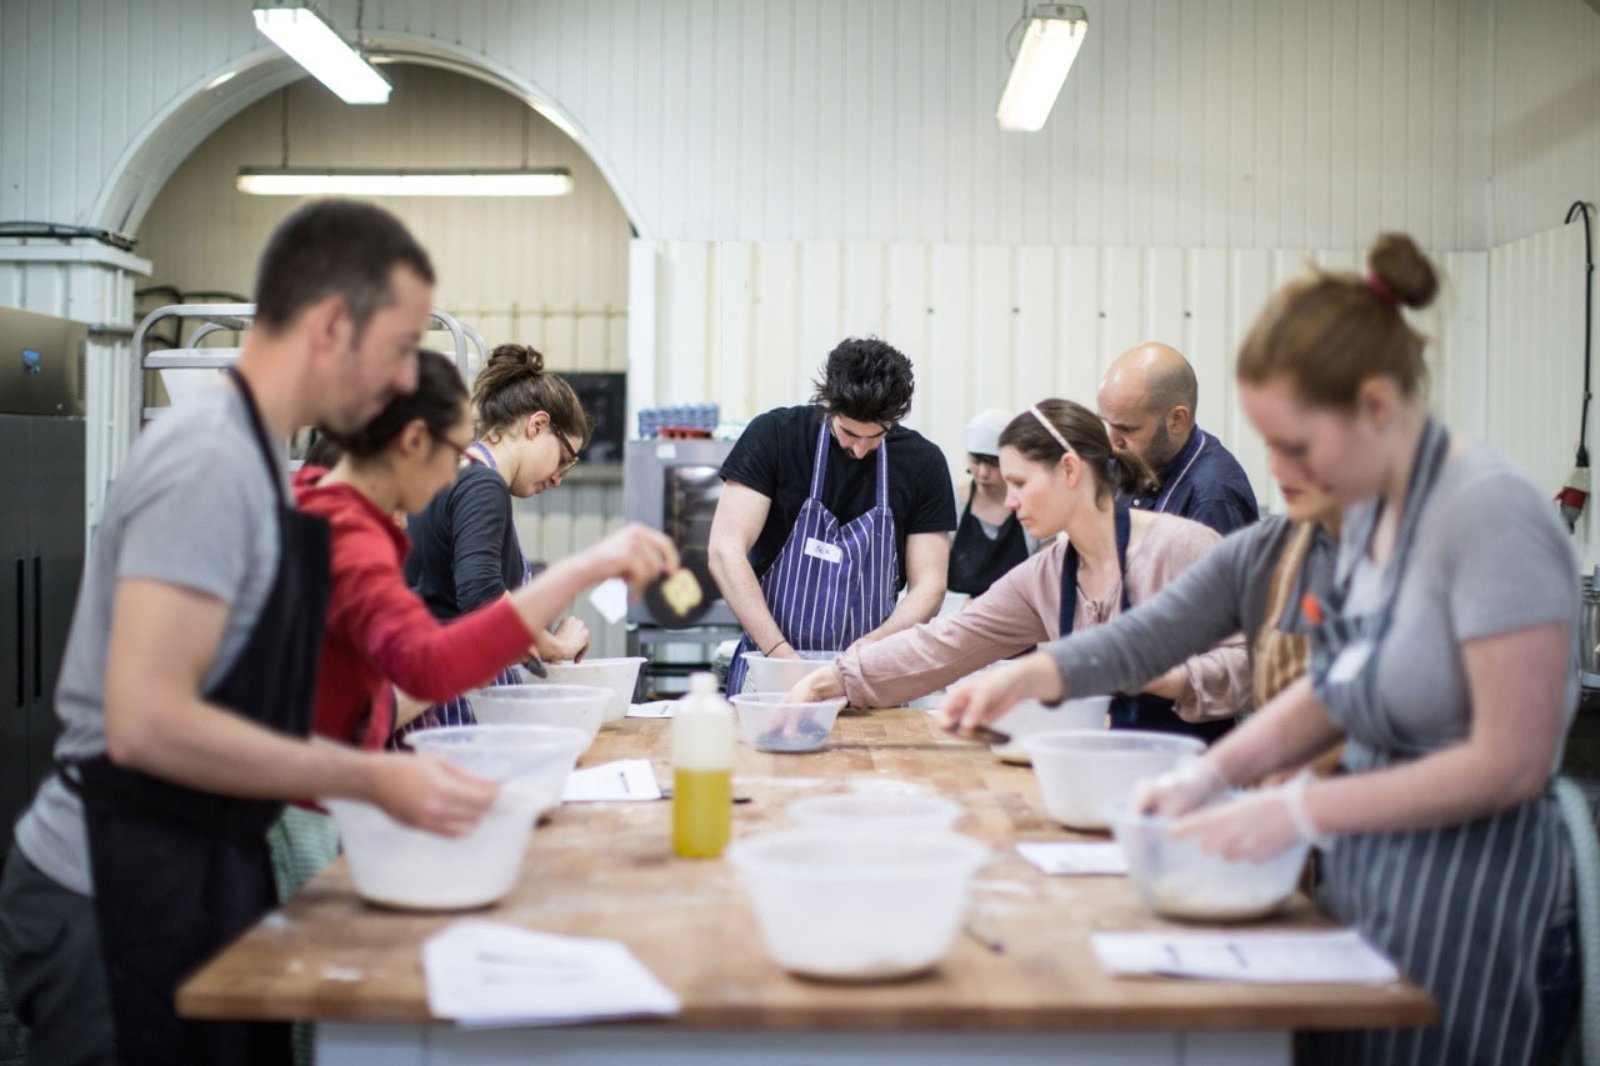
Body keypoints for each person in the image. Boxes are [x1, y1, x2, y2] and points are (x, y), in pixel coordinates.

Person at [965, 235, 1581, 1065]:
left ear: (1374, 408)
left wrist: (1296, 810)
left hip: (1463, 894)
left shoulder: (1486, 513)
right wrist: (1208, 774)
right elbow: (1332, 688)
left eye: (1297, 444)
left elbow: (1511, 761)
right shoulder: (1361, 519)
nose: (1278, 470)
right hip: (1359, 876)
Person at [0, 200, 501, 1066]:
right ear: (333, 325)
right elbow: (149, 721)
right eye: (398, 346)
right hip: (109, 892)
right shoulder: (209, 460)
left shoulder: (264, 457)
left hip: (194, 867)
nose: (399, 383)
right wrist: (367, 777)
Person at [271, 351, 676, 903]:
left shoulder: (320, 507)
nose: (455, 475)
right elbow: (433, 663)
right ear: (413, 441)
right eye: (454, 451)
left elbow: (380, 687)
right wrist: (591, 565)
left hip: (321, 782)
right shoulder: (350, 537)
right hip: (299, 799)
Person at [791, 400, 1247, 739]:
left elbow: (1251, 666)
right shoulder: (1047, 575)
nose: (1010, 501)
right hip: (1107, 775)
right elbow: (948, 643)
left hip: (1198, 790)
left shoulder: (1182, 548)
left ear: (1070, 469)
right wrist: (839, 678)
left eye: (1020, 483)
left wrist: (1136, 668)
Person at [939, 447, 1340, 729]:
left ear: (1070, 471)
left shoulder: (1190, 535)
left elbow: (1254, 673)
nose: (1275, 467)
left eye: (1297, 445)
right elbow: (1136, 641)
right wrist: (1026, 676)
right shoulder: (1282, 545)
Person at [710, 337, 958, 694]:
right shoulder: (776, 437)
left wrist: (868, 652)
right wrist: (780, 655)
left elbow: (930, 585)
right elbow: (725, 550)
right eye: (849, 432)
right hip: (771, 673)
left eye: (875, 436)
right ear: (826, 401)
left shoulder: (923, 463)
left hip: (867, 678)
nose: (860, 449)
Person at [400, 343, 592, 735]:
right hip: (456, 703)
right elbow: (483, 599)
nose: (557, 479)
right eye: (563, 459)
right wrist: (558, 648)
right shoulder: (482, 485)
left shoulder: (453, 469)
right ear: (537, 426)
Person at [1097, 342, 1259, 535]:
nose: (1112, 443)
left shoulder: (1212, 499)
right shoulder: (1131, 461)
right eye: (1107, 423)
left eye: (1128, 429)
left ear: (1177, 420)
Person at [947, 408, 1036, 598]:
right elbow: (933, 578)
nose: (982, 472)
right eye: (976, 461)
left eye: (993, 463)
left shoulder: (1033, 505)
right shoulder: (952, 504)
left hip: (1018, 615)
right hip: (958, 616)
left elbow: (1045, 579)